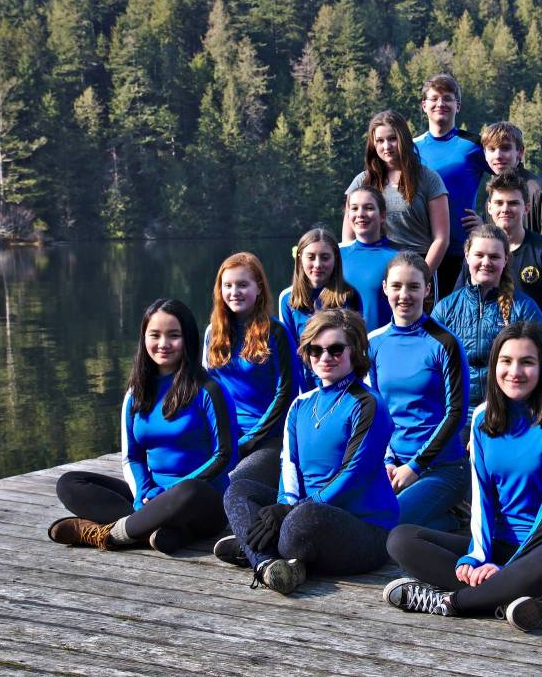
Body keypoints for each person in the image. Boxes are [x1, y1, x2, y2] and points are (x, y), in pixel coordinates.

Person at [385, 321, 542, 632]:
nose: (515, 371)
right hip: (497, 545)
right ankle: (510, 599)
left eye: (527, 362)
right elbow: (481, 498)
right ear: (495, 366)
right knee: (401, 540)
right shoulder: (482, 418)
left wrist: (509, 567)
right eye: (506, 361)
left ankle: (454, 602)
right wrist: (478, 557)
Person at [221, 309, 398, 594]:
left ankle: (254, 548)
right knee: (238, 490)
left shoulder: (368, 403)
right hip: (303, 512)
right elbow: (289, 465)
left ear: (355, 351)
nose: (325, 357)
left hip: (365, 528)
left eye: (336, 349)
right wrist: (284, 503)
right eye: (316, 350)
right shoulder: (300, 404)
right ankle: (269, 565)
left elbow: (354, 475)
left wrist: (290, 510)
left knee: (302, 521)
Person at [48, 299, 238, 555]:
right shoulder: (136, 393)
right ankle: (154, 531)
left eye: (174, 335)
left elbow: (226, 456)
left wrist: (171, 491)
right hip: (153, 494)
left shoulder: (210, 390)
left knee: (188, 491)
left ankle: (111, 535)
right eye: (155, 335)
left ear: (188, 339)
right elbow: (133, 456)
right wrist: (142, 493)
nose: (163, 343)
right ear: (144, 338)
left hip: (201, 499)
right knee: (70, 482)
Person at [202, 253, 301, 566]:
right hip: (226, 438)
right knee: (195, 484)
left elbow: (286, 394)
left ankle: (259, 551)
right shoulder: (212, 333)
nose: (235, 292)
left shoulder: (277, 332)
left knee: (236, 481)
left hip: (268, 440)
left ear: (258, 288)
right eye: (228, 285)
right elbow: (207, 393)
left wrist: (249, 440)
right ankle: (182, 532)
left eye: (242, 284)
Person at [368, 252, 470, 531]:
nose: (404, 295)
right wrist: (388, 460)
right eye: (397, 286)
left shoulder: (445, 342)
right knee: (363, 516)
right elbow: (379, 411)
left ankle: (459, 521)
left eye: (413, 286)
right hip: (395, 466)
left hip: (443, 468)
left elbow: (456, 414)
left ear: (427, 289)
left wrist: (415, 466)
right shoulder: (374, 343)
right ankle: (448, 516)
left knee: (389, 523)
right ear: (385, 287)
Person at [432, 224, 542, 439]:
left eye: (494, 256)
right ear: (467, 256)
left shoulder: (524, 309)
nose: (486, 262)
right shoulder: (445, 309)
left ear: (505, 259)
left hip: (508, 415)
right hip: (455, 418)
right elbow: (432, 368)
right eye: (479, 255)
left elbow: (540, 367)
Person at [343, 109, 450, 288]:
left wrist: (421, 278)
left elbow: (441, 239)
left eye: (392, 138)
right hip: (372, 269)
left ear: (404, 139)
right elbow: (348, 237)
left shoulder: (428, 178)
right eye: (380, 141)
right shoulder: (362, 181)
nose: (386, 146)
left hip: (418, 266)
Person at [413, 73, 491, 297]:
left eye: (447, 98)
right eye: (434, 98)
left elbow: (508, 182)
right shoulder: (412, 148)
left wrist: (487, 223)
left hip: (463, 250)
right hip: (422, 250)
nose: (441, 103)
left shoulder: (474, 145)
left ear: (458, 106)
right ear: (424, 105)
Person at [456, 171, 542, 330]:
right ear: (489, 207)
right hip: (488, 339)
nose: (505, 209)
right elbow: (458, 303)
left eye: (513, 203)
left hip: (536, 338)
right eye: (499, 203)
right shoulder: (478, 254)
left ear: (526, 208)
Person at [279, 228, 361, 390]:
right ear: (300, 258)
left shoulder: (349, 296)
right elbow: (290, 356)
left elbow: (356, 350)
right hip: (306, 389)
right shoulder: (287, 299)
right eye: (311, 257)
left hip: (343, 387)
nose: (317, 264)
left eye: (325, 257)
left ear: (335, 259)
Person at [479, 121, 542, 259]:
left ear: (520, 152)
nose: (498, 155)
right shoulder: (492, 196)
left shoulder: (540, 191)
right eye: (492, 149)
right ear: (485, 154)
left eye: (505, 148)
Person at [340, 186, 400, 332]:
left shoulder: (398, 259)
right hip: (341, 344)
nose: (360, 214)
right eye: (354, 208)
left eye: (368, 208)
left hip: (380, 344)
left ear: (382, 216)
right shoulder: (334, 255)